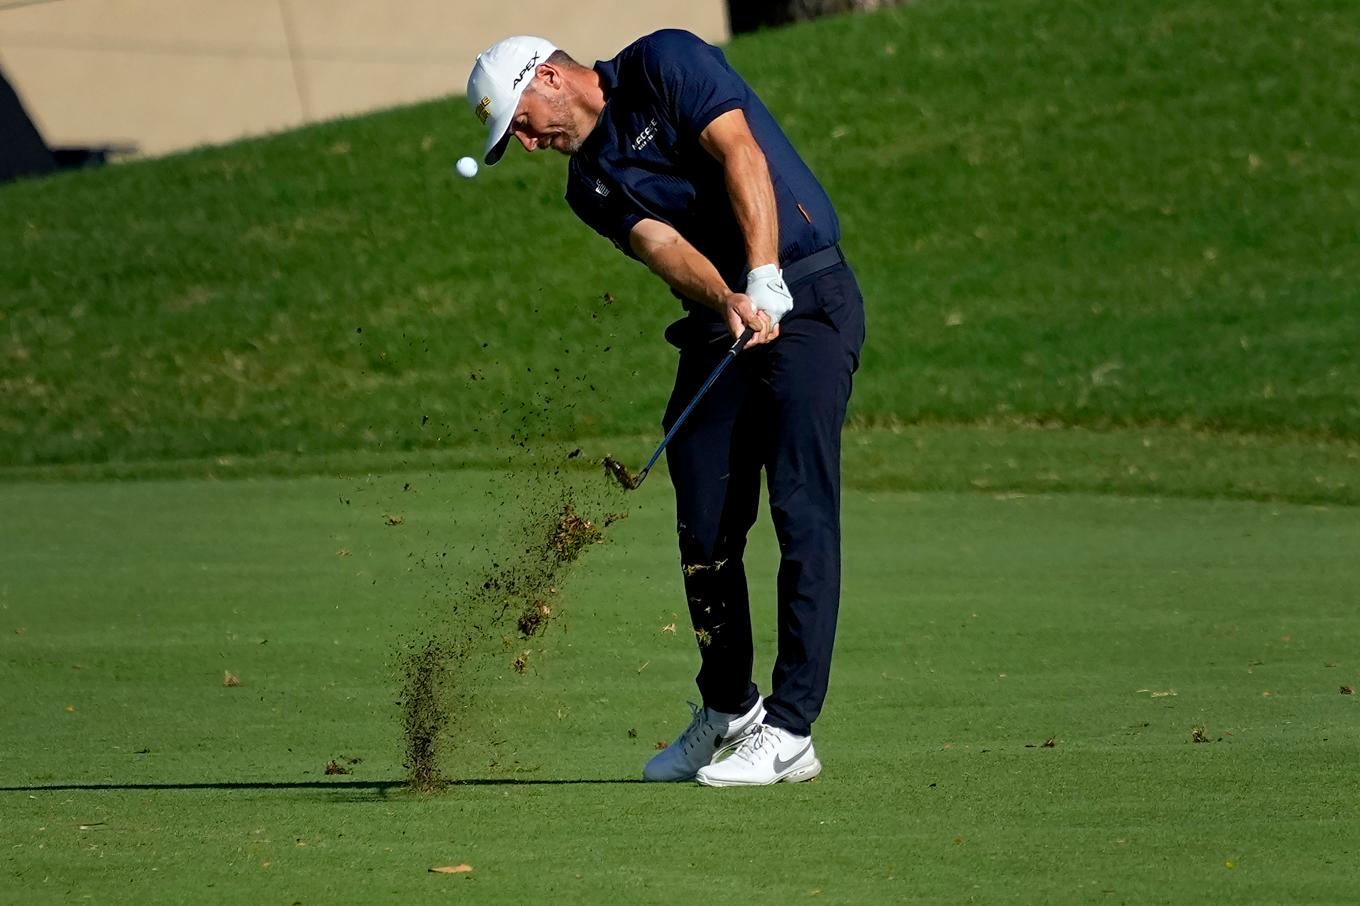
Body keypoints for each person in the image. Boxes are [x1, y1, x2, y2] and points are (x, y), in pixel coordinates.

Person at [466, 30, 865, 786]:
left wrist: (765, 270)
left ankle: (791, 728)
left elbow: (741, 150)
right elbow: (662, 248)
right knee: (704, 516)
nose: (523, 142)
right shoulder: (587, 184)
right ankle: (730, 706)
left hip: (808, 296)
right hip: (729, 321)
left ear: (549, 76)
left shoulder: (663, 63)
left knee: (800, 508)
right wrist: (730, 297)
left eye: (519, 121)